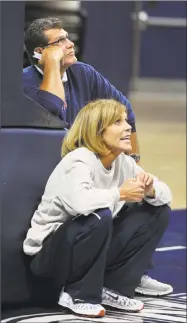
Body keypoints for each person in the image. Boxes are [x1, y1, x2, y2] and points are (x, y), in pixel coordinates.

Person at [23, 99, 173, 318]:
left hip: (90, 247)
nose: (128, 127)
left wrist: (150, 190)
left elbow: (166, 194)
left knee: (157, 210)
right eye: (118, 122)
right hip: (48, 258)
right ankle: (78, 294)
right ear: (97, 131)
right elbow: (80, 204)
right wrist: (120, 193)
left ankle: (113, 288)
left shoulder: (124, 162)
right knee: (98, 214)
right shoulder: (78, 161)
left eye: (126, 121)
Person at [23, 17, 139, 156]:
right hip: (45, 161)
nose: (70, 44)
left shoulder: (83, 72)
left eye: (67, 38)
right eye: (60, 41)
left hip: (81, 161)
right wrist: (52, 63)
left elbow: (125, 108)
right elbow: (53, 108)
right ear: (40, 52)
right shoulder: (24, 81)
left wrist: (133, 160)